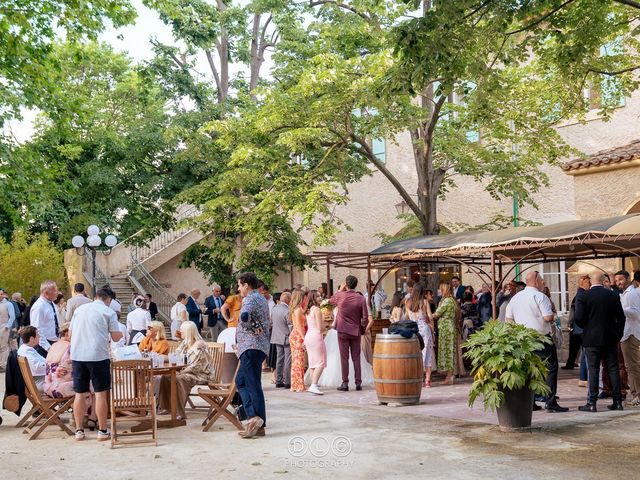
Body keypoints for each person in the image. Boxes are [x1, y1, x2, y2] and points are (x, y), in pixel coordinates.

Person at [506, 271, 569, 412]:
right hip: (541, 338)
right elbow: (547, 317)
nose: (543, 283)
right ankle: (550, 402)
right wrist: (554, 315)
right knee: (551, 369)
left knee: (530, 371)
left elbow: (508, 320)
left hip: (523, 339)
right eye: (541, 280)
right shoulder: (540, 296)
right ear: (535, 281)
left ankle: (531, 402)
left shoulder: (515, 298)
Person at [69, 287, 123, 441]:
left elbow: (71, 334)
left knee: (79, 394)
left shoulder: (79, 310)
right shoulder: (108, 312)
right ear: (109, 299)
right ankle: (103, 430)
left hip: (78, 355)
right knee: (100, 394)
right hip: (98, 356)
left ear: (96, 296)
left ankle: (79, 431)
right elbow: (116, 337)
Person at [574, 271, 626, 413]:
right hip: (610, 338)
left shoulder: (584, 296)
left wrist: (587, 326)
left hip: (591, 338)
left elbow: (578, 318)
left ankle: (592, 403)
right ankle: (617, 401)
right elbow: (621, 318)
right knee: (613, 369)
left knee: (593, 370)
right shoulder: (613, 295)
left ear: (591, 281)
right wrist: (618, 334)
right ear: (604, 281)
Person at [235, 272, 270, 439]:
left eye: (240, 285)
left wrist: (247, 324)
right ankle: (259, 424)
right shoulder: (261, 298)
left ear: (246, 285)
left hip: (250, 347)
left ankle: (253, 418)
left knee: (249, 384)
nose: (239, 288)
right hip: (258, 347)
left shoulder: (249, 299)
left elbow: (244, 315)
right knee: (245, 382)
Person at [158, 321, 216, 420]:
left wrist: (181, 371)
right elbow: (176, 356)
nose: (180, 332)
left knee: (178, 379)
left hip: (201, 374)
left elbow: (197, 366)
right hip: (188, 371)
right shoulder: (185, 343)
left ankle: (179, 412)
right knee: (165, 377)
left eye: (182, 330)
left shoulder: (199, 345)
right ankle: (166, 407)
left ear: (188, 331)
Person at [43, 322, 96, 427]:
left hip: (49, 386)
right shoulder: (70, 347)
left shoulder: (54, 345)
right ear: (67, 334)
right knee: (94, 385)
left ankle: (76, 416)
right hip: (60, 388)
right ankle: (91, 418)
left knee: (82, 382)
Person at [329, 275, 370, 392]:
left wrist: (339, 290)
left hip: (342, 330)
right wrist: (362, 329)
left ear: (346, 284)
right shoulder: (361, 298)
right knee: (356, 357)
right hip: (355, 330)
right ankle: (358, 383)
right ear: (356, 285)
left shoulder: (340, 296)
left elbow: (331, 301)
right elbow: (365, 317)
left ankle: (345, 383)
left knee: (344, 357)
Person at [405, 282, 435, 387]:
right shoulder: (424, 302)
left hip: (414, 330)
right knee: (427, 354)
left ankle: (418, 378)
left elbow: (407, 317)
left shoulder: (407, 302)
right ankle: (427, 380)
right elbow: (430, 317)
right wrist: (431, 324)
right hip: (425, 329)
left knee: (416, 354)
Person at [432, 282, 458, 385]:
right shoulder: (451, 300)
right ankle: (449, 375)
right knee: (449, 351)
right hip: (448, 327)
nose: (439, 291)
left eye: (440, 289)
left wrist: (427, 315)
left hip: (446, 328)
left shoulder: (447, 301)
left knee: (448, 351)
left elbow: (437, 314)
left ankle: (449, 376)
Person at [621, 270, 640, 407]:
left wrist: (619, 310)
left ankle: (637, 396)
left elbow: (636, 313)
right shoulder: (633, 292)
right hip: (632, 332)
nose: (618, 283)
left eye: (620, 279)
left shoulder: (633, 293)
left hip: (631, 332)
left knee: (632, 366)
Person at [563, 275, 590, 371]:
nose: (589, 284)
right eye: (587, 282)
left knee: (576, 347)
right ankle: (570, 363)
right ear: (581, 283)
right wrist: (570, 323)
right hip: (577, 325)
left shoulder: (582, 294)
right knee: (575, 347)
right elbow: (573, 311)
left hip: (579, 326)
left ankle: (570, 364)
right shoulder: (581, 295)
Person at [303, 290, 327, 395]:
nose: (320, 298)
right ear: (313, 298)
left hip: (309, 336)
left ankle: (314, 384)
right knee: (321, 362)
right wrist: (328, 327)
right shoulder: (317, 309)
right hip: (316, 336)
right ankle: (313, 385)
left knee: (313, 363)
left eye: (320, 296)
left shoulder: (308, 310)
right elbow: (320, 327)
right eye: (317, 296)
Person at [29, 280, 60, 356]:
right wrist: (48, 348)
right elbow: (37, 329)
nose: (57, 293)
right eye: (55, 290)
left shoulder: (51, 303)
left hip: (54, 342)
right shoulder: (39, 306)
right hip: (43, 345)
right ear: (46, 293)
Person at [271, 291, 292, 388]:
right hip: (286, 337)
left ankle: (279, 380)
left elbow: (271, 322)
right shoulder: (287, 311)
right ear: (287, 299)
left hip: (276, 336)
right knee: (287, 360)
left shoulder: (274, 309)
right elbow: (290, 326)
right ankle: (287, 381)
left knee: (279, 359)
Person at [17, 326, 47, 392]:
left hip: (37, 380)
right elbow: (37, 367)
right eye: (37, 334)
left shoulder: (26, 348)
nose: (39, 336)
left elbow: (44, 361)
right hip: (38, 382)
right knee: (69, 384)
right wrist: (52, 367)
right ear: (31, 338)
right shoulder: (26, 351)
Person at [289, 289, 307, 393]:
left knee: (296, 361)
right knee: (299, 361)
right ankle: (299, 385)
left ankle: (295, 384)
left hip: (294, 334)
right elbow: (300, 325)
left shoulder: (295, 309)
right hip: (298, 335)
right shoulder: (299, 310)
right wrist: (304, 337)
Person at [0, 293, 14, 370]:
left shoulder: (8, 304)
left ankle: (4, 365)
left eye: (1, 294)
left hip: (4, 328)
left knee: (4, 346)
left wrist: (7, 326)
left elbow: (12, 316)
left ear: (3, 295)